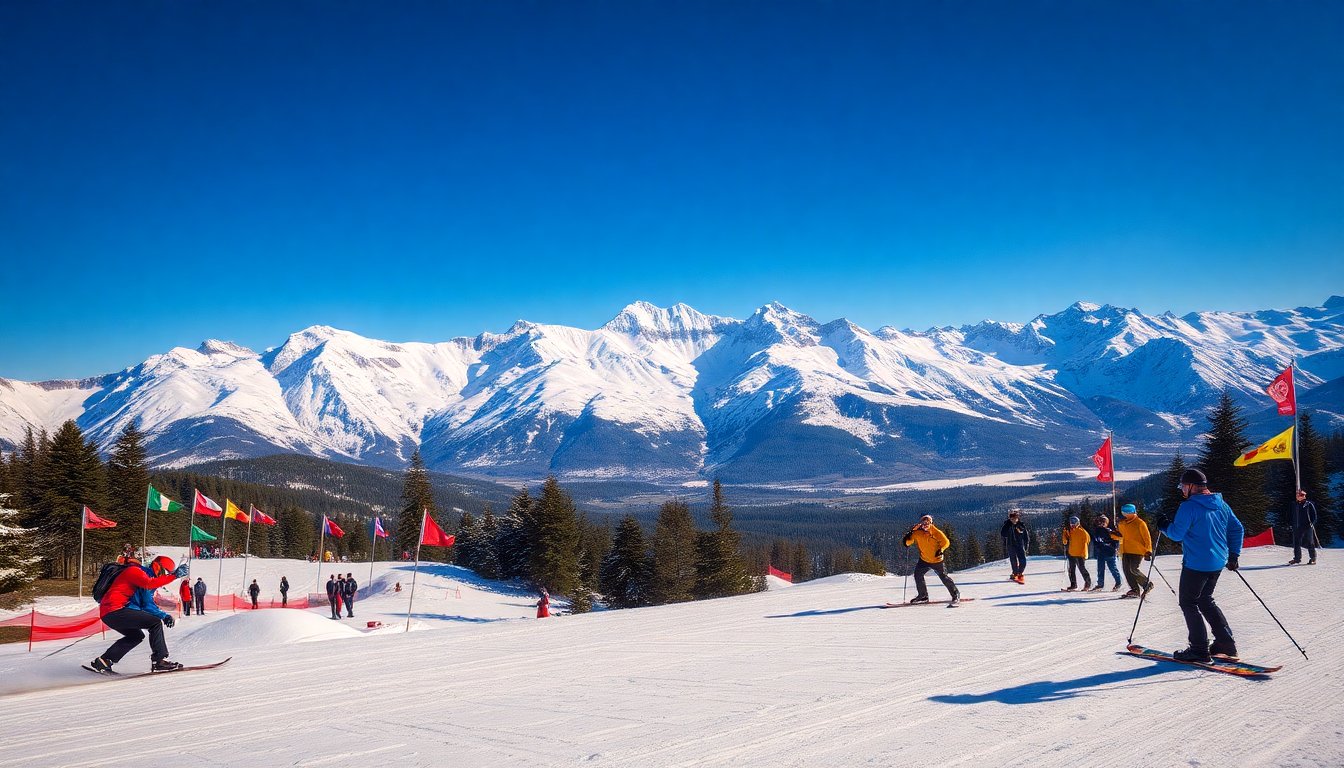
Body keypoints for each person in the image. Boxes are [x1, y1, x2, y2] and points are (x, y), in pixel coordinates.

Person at [1159, 468, 1244, 663]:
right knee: (1205, 600)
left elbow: (1176, 534)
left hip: (1196, 564)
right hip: (1217, 562)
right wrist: (1234, 555)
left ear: (1191, 486)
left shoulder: (1188, 506)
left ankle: (1199, 650)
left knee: (1188, 603)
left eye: (1183, 486)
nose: (1182, 490)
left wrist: (1163, 525)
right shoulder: (1220, 504)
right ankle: (1226, 645)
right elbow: (1237, 529)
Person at [89, 555, 189, 673]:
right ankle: (159, 660)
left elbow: (145, 602)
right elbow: (147, 592)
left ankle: (105, 660)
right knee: (155, 623)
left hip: (110, 612)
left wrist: (164, 615)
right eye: (165, 573)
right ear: (158, 567)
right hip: (115, 610)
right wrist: (174, 576)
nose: (164, 576)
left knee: (136, 636)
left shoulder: (141, 574)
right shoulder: (135, 571)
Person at [902, 514, 960, 605]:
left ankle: (955, 594)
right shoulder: (917, 533)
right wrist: (910, 533)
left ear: (931, 523)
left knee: (944, 577)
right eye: (923, 523)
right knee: (918, 575)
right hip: (924, 560)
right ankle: (923, 596)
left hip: (937, 560)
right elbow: (908, 543)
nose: (925, 525)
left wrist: (941, 550)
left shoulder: (936, 532)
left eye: (927, 523)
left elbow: (946, 542)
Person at [1114, 504, 1154, 598]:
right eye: (1124, 511)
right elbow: (1121, 537)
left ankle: (1147, 584)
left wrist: (1148, 550)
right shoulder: (1122, 524)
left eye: (1128, 511)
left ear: (1133, 512)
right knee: (1127, 570)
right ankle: (1135, 589)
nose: (1125, 513)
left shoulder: (1140, 523)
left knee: (1133, 569)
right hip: (1125, 550)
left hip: (1137, 550)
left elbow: (1147, 537)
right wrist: (1113, 535)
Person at [1091, 515, 1122, 591]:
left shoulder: (1109, 531)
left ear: (1106, 523)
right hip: (1101, 552)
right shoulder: (1096, 531)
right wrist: (1098, 547)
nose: (1102, 523)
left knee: (1112, 568)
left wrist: (1115, 548)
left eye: (1104, 522)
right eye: (1100, 522)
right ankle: (1100, 584)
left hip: (1110, 552)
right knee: (1100, 569)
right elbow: (1095, 541)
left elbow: (1117, 540)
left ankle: (1118, 582)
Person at [1061, 516, 1092, 591]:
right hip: (1071, 552)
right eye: (1071, 523)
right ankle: (1073, 585)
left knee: (1082, 569)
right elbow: (1065, 541)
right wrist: (1065, 534)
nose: (1072, 525)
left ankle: (1087, 584)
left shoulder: (1082, 532)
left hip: (1080, 553)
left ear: (1078, 523)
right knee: (1071, 569)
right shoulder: (1069, 531)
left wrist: (1084, 553)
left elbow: (1087, 541)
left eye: (1074, 523)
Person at [1289, 489, 1318, 565]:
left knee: (1310, 542)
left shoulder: (1308, 504)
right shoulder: (1294, 504)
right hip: (1297, 526)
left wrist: (1311, 524)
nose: (1300, 496)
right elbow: (1290, 515)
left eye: (1302, 495)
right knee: (1296, 543)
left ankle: (1313, 558)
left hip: (1307, 526)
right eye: (1299, 495)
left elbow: (1314, 516)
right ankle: (1297, 558)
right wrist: (1291, 524)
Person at [1001, 509, 1029, 584]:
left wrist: (1026, 545)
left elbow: (1026, 536)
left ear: (1017, 518)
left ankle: (1019, 572)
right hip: (1010, 545)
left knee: (1023, 560)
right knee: (1013, 560)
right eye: (1012, 518)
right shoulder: (1007, 525)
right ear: (1010, 518)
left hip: (1020, 545)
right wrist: (1008, 525)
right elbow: (1003, 534)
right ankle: (1015, 573)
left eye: (1015, 518)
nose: (1013, 520)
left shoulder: (1021, 525)